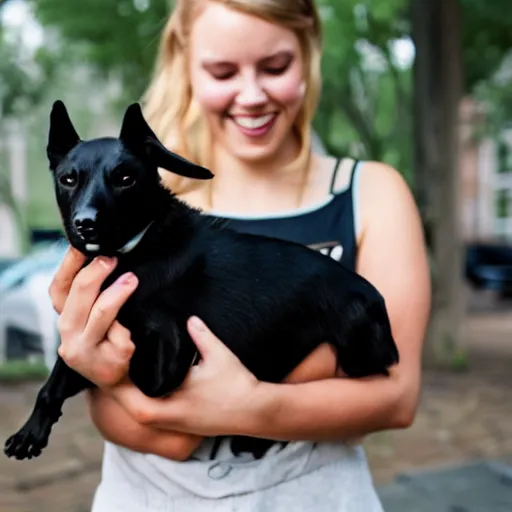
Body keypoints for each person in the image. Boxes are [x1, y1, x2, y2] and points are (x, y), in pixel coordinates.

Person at [50, 0, 431, 510]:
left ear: (309, 52)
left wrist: (250, 404)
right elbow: (144, 429)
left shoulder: (371, 193)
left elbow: (395, 397)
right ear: (185, 63)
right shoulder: (132, 205)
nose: (251, 95)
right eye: (222, 71)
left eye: (275, 67)